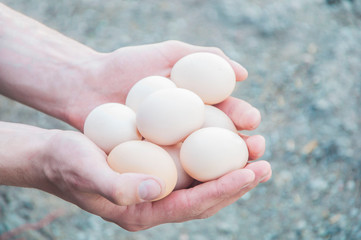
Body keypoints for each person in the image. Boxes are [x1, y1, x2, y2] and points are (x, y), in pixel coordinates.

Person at [0, 3, 272, 231]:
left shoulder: (171, 112)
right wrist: (37, 157)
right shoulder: (160, 115)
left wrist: (86, 75)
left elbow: (173, 117)